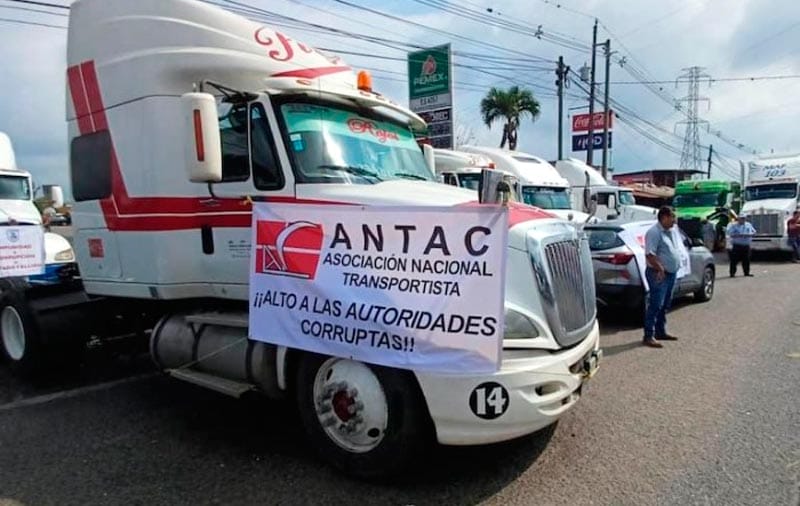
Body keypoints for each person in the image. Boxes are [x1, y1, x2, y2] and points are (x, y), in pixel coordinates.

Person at [642, 206, 682, 348]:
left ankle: (660, 331)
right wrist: (660, 268)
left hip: (670, 273)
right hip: (657, 274)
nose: (674, 221)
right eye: (672, 217)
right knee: (655, 304)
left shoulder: (669, 232)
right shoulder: (654, 232)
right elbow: (650, 254)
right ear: (664, 217)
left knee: (665, 304)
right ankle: (648, 335)